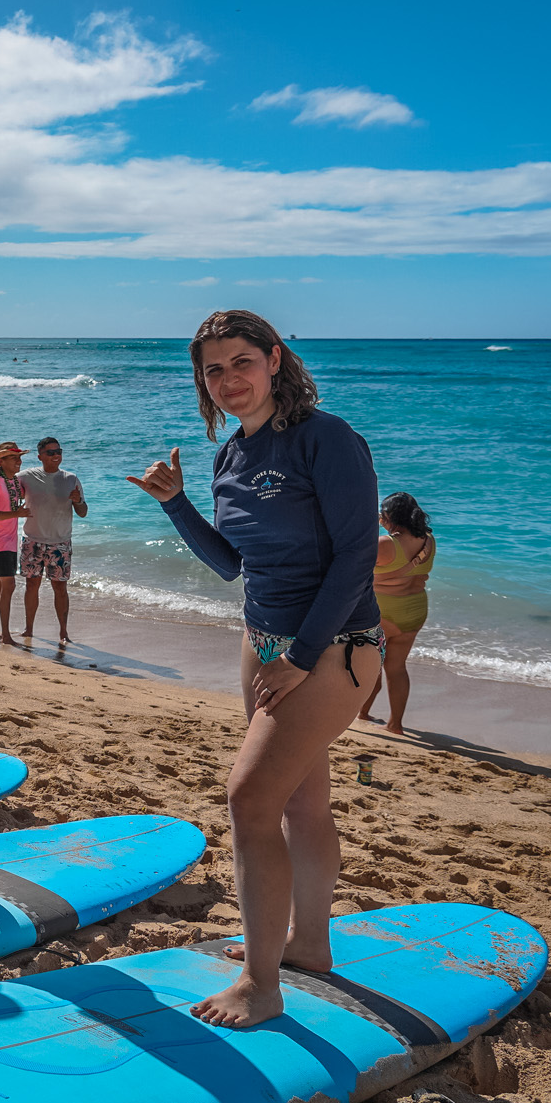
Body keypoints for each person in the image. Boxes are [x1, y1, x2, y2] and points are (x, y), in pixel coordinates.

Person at [126, 309, 379, 1029]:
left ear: (275, 358)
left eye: (241, 361)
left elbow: (356, 557)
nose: (229, 379)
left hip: (333, 648)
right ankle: (310, 945)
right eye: (213, 369)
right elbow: (233, 564)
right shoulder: (230, 456)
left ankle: (260, 983)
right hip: (262, 640)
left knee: (248, 800)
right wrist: (175, 504)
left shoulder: (327, 440)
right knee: (300, 802)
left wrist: (301, 658)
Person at [361, 492, 435, 735]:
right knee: (396, 667)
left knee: (371, 666)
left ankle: (362, 713)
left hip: (384, 611)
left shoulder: (385, 544)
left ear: (389, 516)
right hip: (414, 611)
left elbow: (353, 564)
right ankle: (395, 725)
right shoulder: (428, 540)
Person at [18, 437, 85, 643]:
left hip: (60, 543)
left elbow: (83, 512)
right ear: (40, 457)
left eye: (59, 451)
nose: (56, 455)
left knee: (60, 588)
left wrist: (78, 501)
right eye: (51, 452)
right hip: (32, 540)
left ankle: (63, 633)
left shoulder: (71, 479)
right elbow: (7, 490)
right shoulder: (26, 476)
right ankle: (28, 629)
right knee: (31, 586)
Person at [0, 442, 27, 644]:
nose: (19, 461)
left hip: (11, 540)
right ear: (0, 461)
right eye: (14, 458)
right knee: (8, 585)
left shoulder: (15, 482)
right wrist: (17, 513)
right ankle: (6, 635)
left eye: (19, 458)